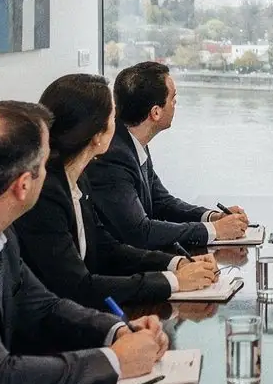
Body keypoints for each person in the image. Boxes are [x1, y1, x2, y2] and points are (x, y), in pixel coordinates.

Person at [0, 101, 167, 384]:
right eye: (45, 160)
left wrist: (115, 330)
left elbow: (42, 306)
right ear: (23, 185)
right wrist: (114, 361)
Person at [15, 73, 219, 309]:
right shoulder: (46, 194)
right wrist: (173, 281)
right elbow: (77, 287)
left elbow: (105, 247)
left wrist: (176, 263)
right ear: (97, 135)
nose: (119, 123)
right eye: (113, 117)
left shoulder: (77, 177)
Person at [86, 61, 248, 251]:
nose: (175, 105)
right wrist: (213, 230)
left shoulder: (132, 142)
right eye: (173, 99)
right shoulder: (112, 156)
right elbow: (140, 232)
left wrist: (213, 217)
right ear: (155, 112)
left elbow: (162, 202)